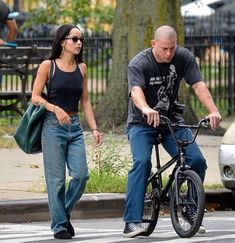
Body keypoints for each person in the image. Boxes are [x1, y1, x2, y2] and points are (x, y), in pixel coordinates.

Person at [123, 25, 222, 238]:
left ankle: (189, 208)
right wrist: (146, 108)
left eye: (172, 48)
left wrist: (213, 110)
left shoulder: (183, 57)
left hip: (170, 121)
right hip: (141, 122)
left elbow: (198, 85)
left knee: (196, 160)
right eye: (164, 49)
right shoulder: (139, 63)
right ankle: (132, 220)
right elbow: (136, 91)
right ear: (153, 44)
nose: (169, 53)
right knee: (142, 162)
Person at [31, 24, 103, 239]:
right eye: (74, 39)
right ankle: (60, 225)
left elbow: (86, 101)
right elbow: (35, 96)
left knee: (81, 175)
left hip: (75, 127)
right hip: (53, 126)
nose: (79, 42)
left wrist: (95, 128)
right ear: (63, 41)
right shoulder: (48, 66)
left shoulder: (82, 69)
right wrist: (55, 108)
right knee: (57, 181)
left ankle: (62, 215)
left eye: (81, 39)